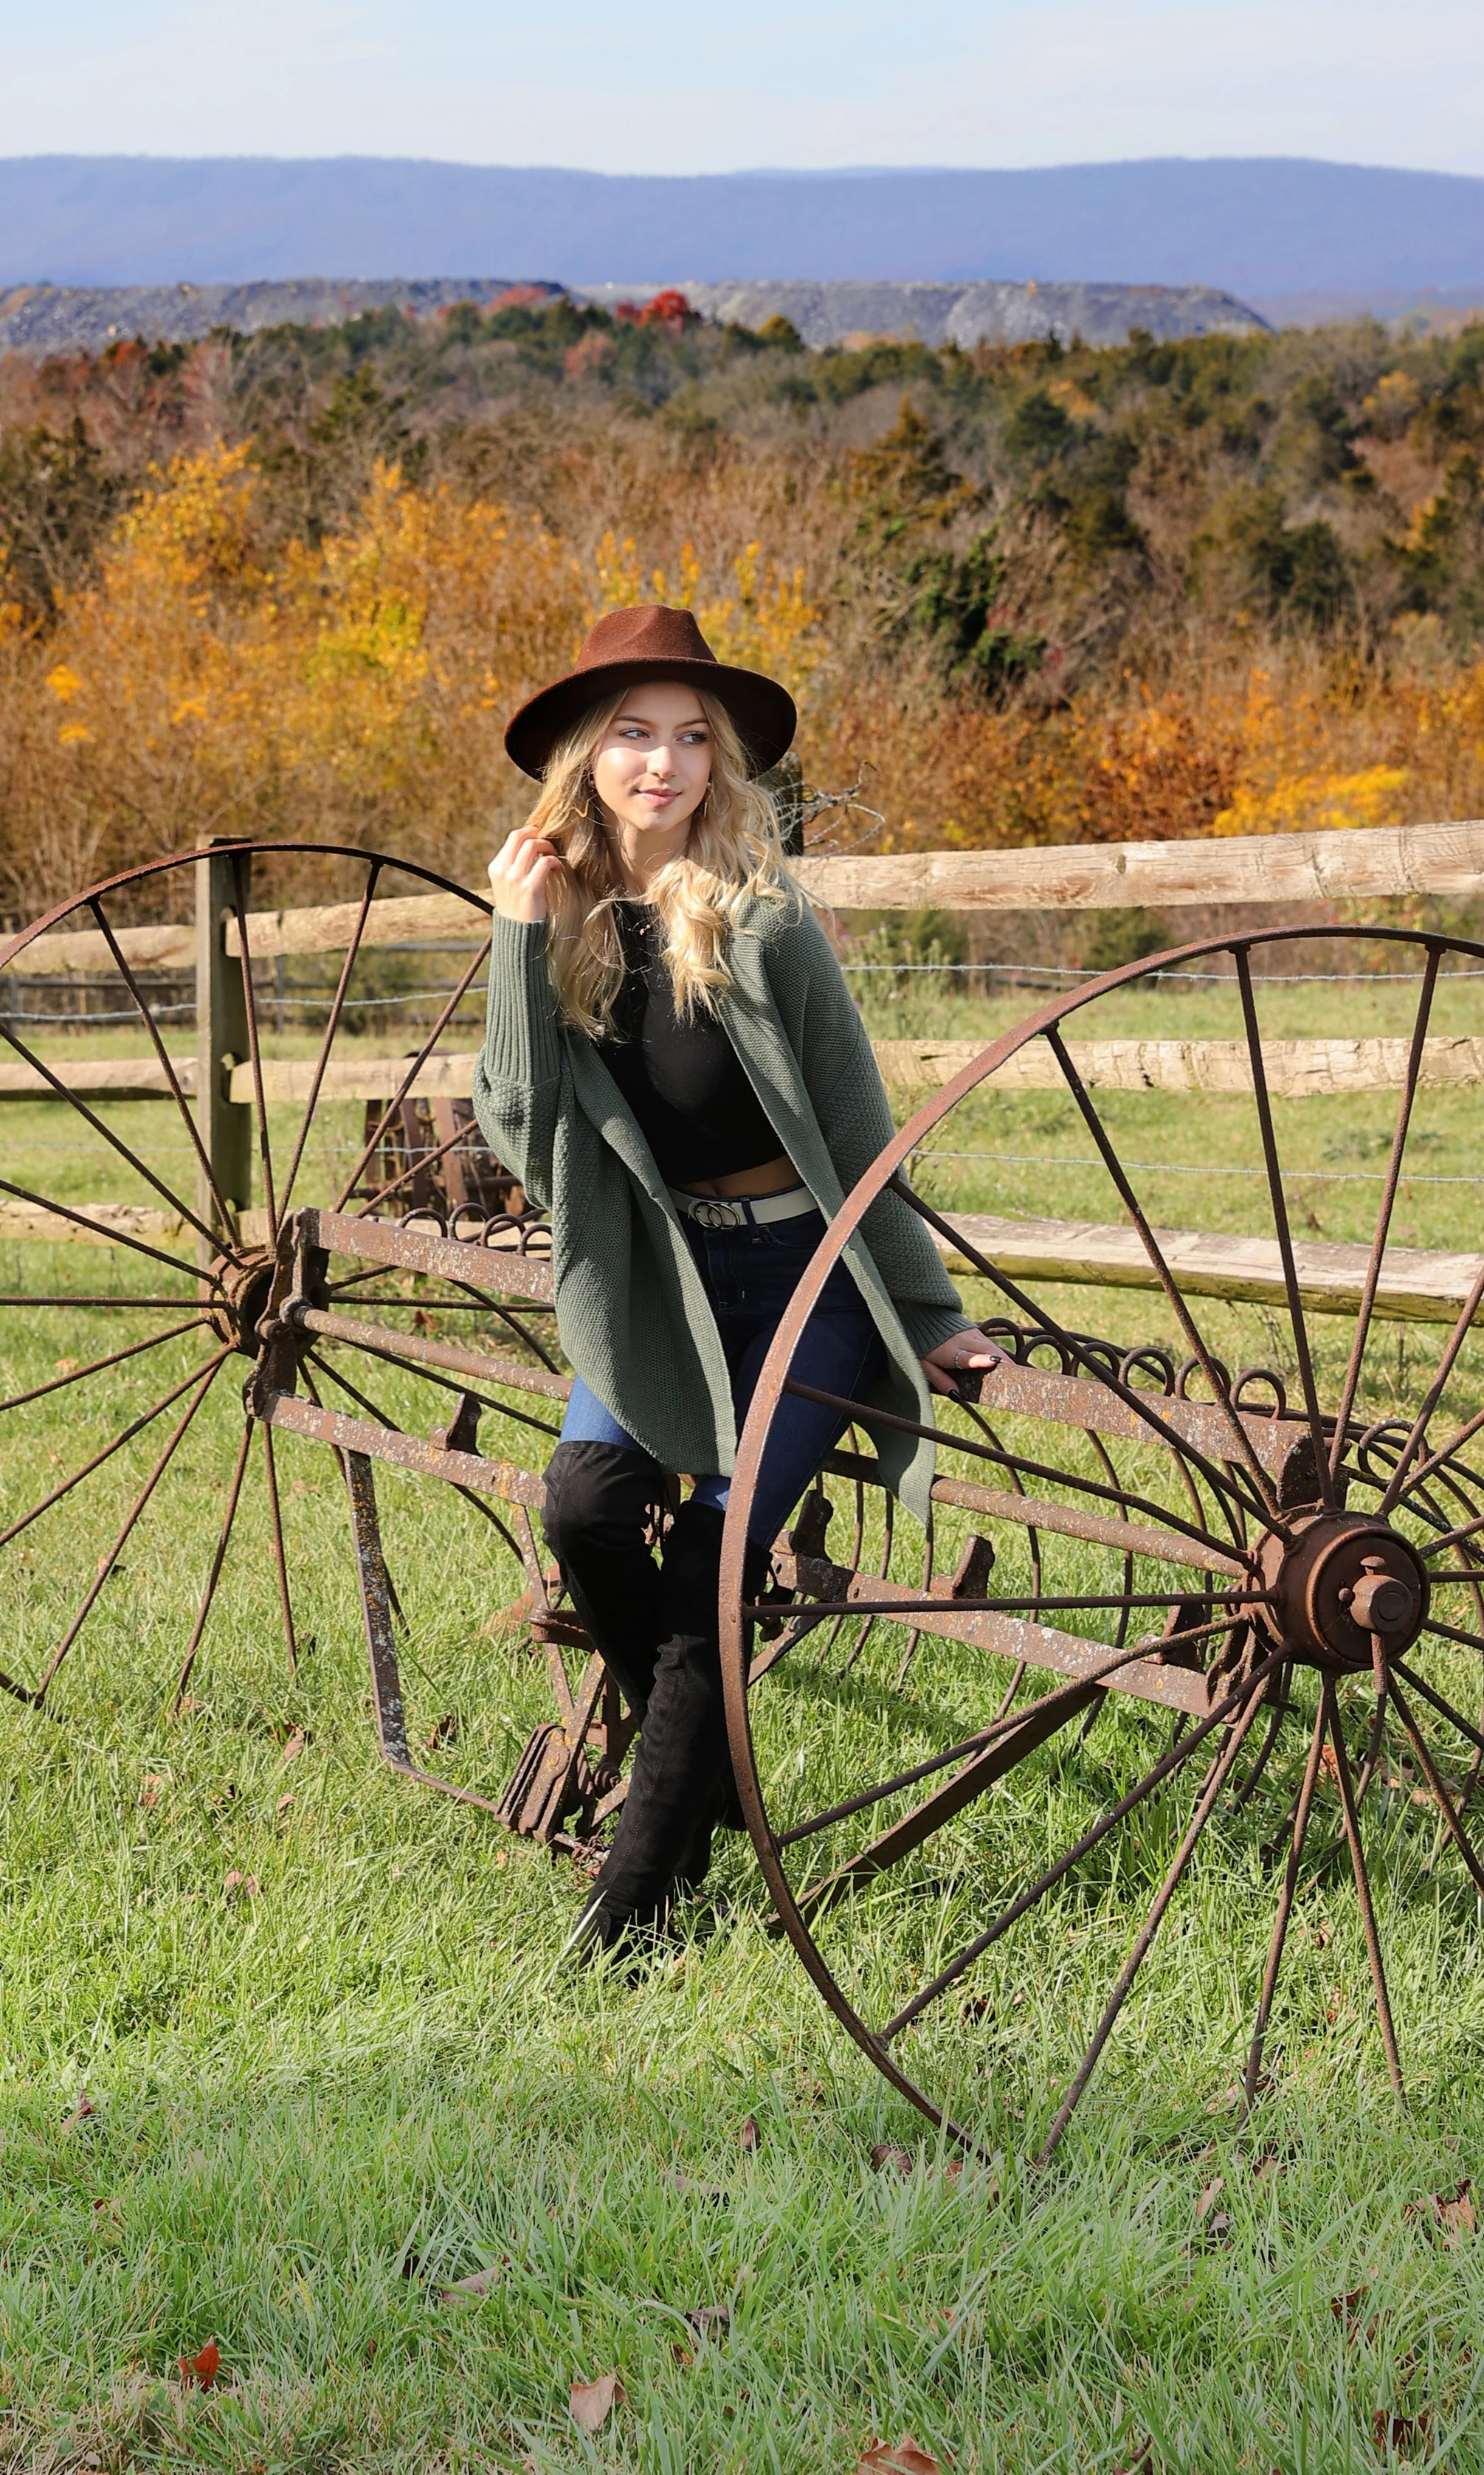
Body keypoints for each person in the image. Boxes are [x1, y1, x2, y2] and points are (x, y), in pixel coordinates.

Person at [474, 604, 999, 1961]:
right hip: (669, 1283)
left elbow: (859, 1130)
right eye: (635, 735)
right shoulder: (564, 924)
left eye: (691, 739)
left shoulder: (766, 927)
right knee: (586, 1509)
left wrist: (931, 1319)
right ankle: (692, 1778)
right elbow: (522, 1132)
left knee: (714, 1563)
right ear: (588, 758)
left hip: (803, 1279)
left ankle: (631, 1909)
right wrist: (514, 939)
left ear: (719, 766)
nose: (664, 763)